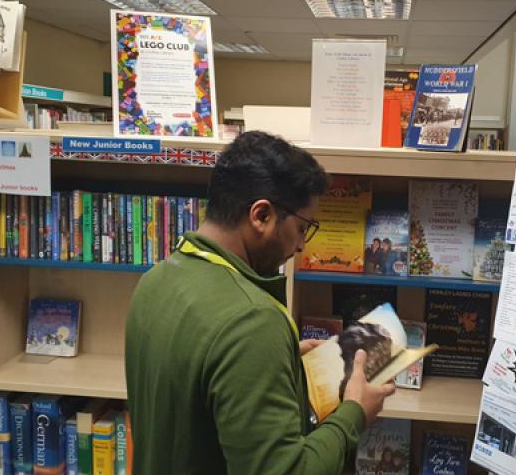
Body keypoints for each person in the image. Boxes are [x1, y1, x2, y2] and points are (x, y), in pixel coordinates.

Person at [125, 131, 396, 474]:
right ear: (262, 215)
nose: (302, 246)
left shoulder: (156, 279)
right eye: (303, 228)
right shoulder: (252, 322)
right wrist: (354, 413)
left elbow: (194, 385)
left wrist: (277, 360)